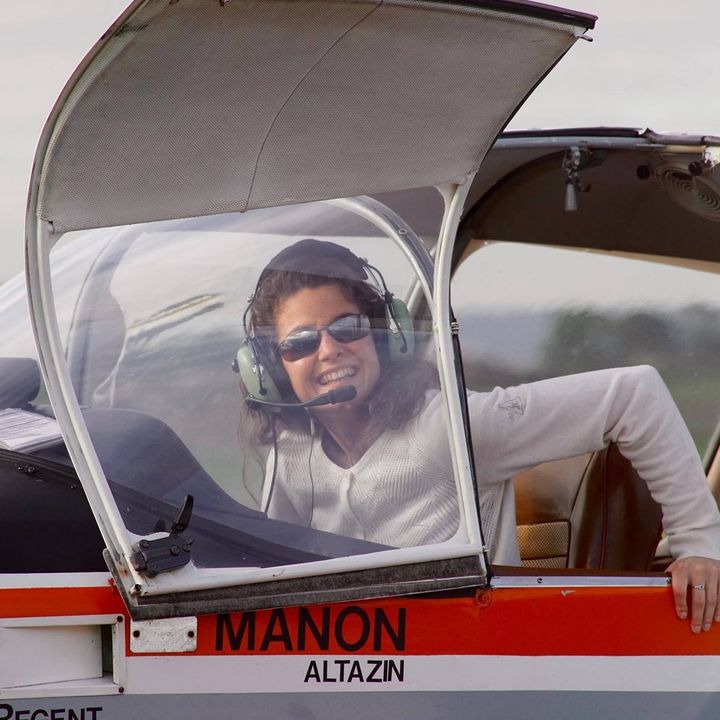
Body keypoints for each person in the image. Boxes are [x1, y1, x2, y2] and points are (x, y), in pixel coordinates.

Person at [237, 238, 720, 633]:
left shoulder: (448, 427)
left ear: (388, 334)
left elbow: (634, 393)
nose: (328, 351)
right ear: (271, 370)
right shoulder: (291, 456)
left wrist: (699, 543)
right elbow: (269, 576)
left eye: (348, 327)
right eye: (300, 342)